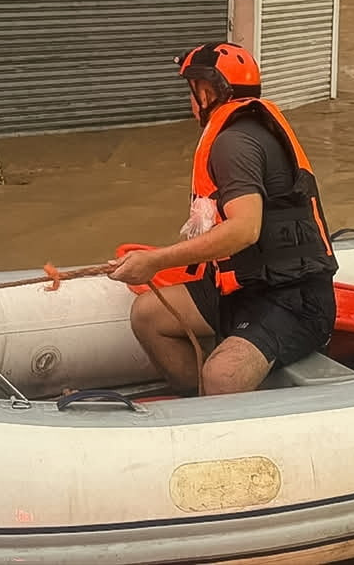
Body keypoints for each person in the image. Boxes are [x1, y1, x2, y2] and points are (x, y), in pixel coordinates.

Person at [107, 42, 338, 395]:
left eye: (192, 90)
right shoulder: (239, 132)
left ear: (206, 90)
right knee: (148, 315)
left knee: (222, 375)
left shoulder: (235, 143)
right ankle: (199, 405)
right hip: (244, 287)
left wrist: (154, 261)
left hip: (293, 300)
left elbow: (245, 229)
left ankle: (216, 412)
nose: (190, 101)